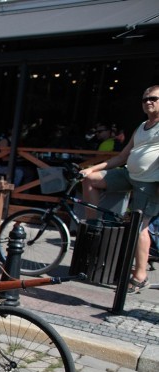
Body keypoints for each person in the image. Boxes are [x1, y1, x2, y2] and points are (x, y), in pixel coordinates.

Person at [79, 85, 159, 294]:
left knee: (139, 225)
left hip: (149, 182)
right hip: (128, 174)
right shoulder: (142, 126)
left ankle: (140, 275)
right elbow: (122, 156)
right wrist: (91, 169)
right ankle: (95, 227)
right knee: (90, 180)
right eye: (144, 99)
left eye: (153, 98)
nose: (148, 102)